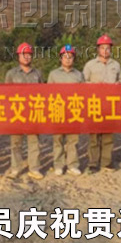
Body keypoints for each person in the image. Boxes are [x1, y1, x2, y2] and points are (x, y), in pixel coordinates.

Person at [5, 42, 45, 180]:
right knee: (16, 143)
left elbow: (43, 92)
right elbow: (5, 94)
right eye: (23, 54)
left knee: (34, 142)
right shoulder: (11, 74)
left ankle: (34, 168)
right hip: (17, 112)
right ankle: (16, 168)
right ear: (18, 56)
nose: (26, 57)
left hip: (33, 111)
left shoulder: (37, 73)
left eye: (29, 54)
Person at [82, 34, 121, 173]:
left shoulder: (116, 65)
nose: (105, 50)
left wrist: (118, 85)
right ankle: (93, 163)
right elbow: (82, 82)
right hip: (95, 103)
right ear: (98, 49)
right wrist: (93, 85)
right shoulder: (90, 65)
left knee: (108, 136)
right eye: (102, 48)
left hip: (110, 105)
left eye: (108, 48)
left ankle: (106, 162)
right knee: (94, 136)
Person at [47, 44, 84, 176]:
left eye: (70, 57)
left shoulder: (79, 75)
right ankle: (58, 165)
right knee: (58, 140)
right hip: (58, 110)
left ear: (73, 59)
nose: (68, 59)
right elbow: (48, 93)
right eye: (65, 57)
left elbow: (84, 93)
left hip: (74, 110)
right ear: (60, 58)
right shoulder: (53, 74)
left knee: (73, 140)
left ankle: (72, 165)